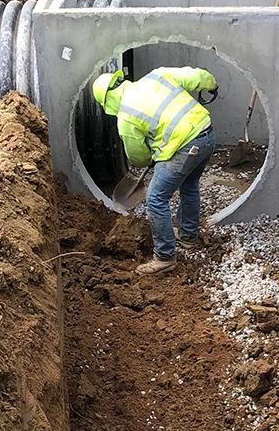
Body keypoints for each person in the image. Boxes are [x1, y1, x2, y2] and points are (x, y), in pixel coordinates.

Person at [92, 65, 218, 276]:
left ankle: (165, 257)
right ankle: (188, 236)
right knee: (189, 184)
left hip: (186, 146)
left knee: (156, 198)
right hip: (207, 133)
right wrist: (211, 84)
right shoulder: (156, 76)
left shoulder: (126, 117)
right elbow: (198, 76)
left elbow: (138, 157)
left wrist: (153, 153)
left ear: (107, 102)